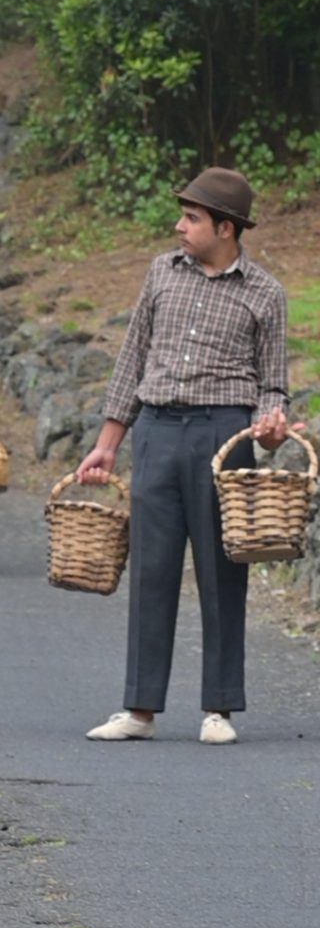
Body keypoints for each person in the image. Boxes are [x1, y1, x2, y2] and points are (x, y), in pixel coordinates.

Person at [76, 167, 289, 746]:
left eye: (192, 219)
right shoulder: (161, 273)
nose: (179, 227)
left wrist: (269, 429)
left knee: (223, 570)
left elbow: (273, 385)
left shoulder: (265, 293)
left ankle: (219, 709)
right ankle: (139, 709)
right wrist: (107, 443)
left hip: (224, 439)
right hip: (157, 431)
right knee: (151, 569)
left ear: (226, 227)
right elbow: (132, 358)